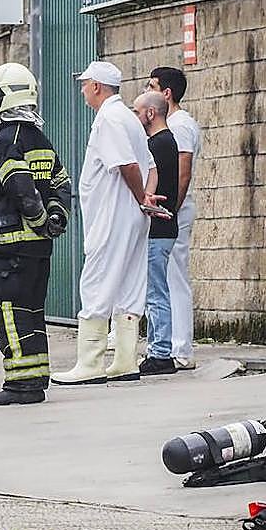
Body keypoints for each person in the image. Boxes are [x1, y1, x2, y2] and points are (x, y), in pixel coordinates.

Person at [52, 61, 166, 386]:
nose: (82, 89)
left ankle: (89, 363)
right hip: (132, 214)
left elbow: (128, 164)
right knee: (129, 284)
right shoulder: (128, 118)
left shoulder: (110, 119)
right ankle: (126, 361)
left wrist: (141, 197)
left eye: (85, 84)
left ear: (98, 87)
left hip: (113, 215)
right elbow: (151, 166)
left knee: (97, 282)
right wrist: (145, 197)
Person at [0, 62, 72, 405]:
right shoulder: (39, 137)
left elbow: (19, 186)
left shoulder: (6, 139)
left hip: (12, 243)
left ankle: (20, 385)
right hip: (38, 247)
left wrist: (38, 218)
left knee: (4, 313)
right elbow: (61, 182)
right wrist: (55, 218)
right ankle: (35, 378)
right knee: (31, 312)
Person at [147, 67, 201, 370]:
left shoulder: (179, 126)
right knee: (168, 277)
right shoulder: (177, 123)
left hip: (175, 208)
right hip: (173, 208)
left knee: (175, 277)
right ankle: (174, 345)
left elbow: (183, 170)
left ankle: (181, 349)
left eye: (152, 85)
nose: (148, 88)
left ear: (166, 93)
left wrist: (173, 210)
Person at [133, 91, 180, 376]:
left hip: (159, 228)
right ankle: (157, 348)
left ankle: (161, 352)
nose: (135, 117)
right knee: (154, 290)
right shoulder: (165, 142)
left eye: (137, 111)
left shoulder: (159, 144)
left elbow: (152, 185)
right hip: (162, 227)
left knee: (155, 292)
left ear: (151, 113)